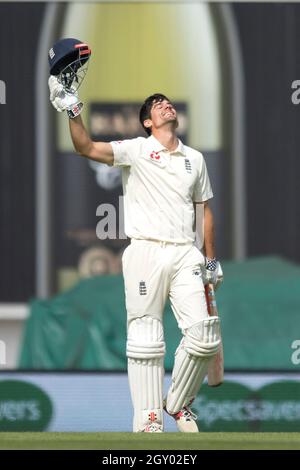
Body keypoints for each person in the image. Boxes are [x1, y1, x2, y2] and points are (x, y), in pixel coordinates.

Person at [49, 77, 223, 433]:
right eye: (157, 104)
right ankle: (148, 420)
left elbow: (204, 211)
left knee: (204, 336)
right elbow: (85, 147)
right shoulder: (136, 150)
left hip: (185, 254)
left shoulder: (195, 159)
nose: (166, 104)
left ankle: (176, 402)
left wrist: (210, 259)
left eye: (168, 101)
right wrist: (72, 109)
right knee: (146, 338)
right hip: (145, 250)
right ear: (147, 122)